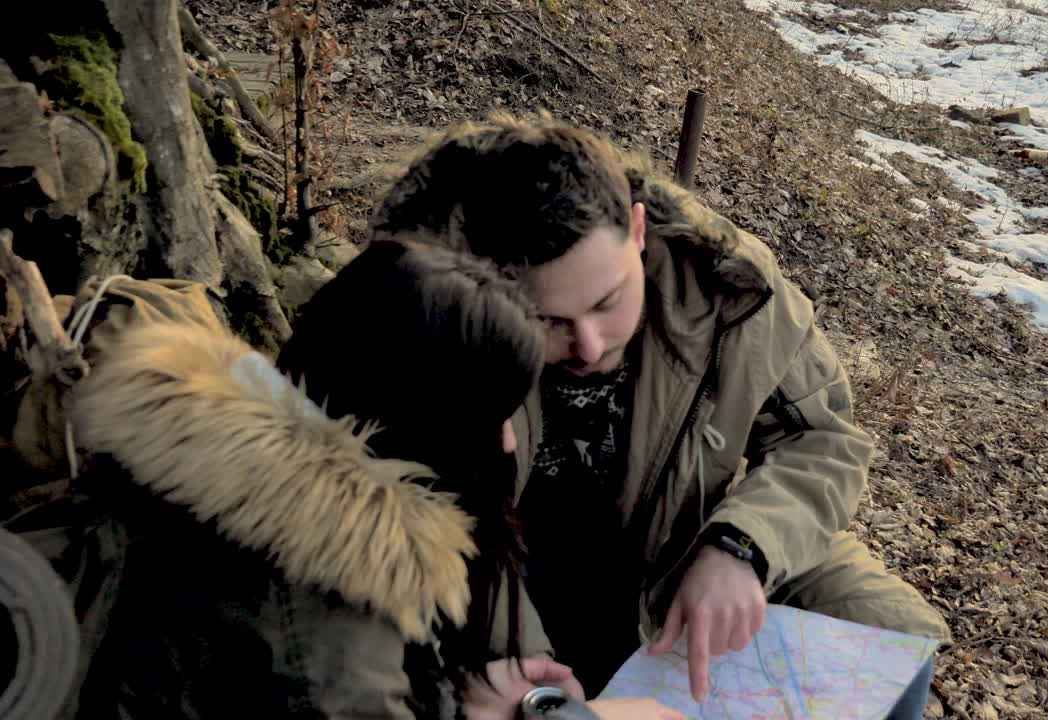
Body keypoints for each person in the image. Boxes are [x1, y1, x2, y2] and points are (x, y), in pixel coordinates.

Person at [371, 114, 952, 715]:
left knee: (889, 630)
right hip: (514, 584)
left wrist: (742, 545)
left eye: (608, 302)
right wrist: (519, 671)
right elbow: (420, 533)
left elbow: (822, 439)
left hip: (685, 538)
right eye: (545, 320)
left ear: (640, 231)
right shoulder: (428, 327)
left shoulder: (727, 286)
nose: (590, 345)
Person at [32, 246, 679, 719]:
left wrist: (455, 701)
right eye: (497, 415)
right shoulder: (326, 628)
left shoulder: (193, 464)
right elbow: (315, 683)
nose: (510, 439)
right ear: (434, 430)